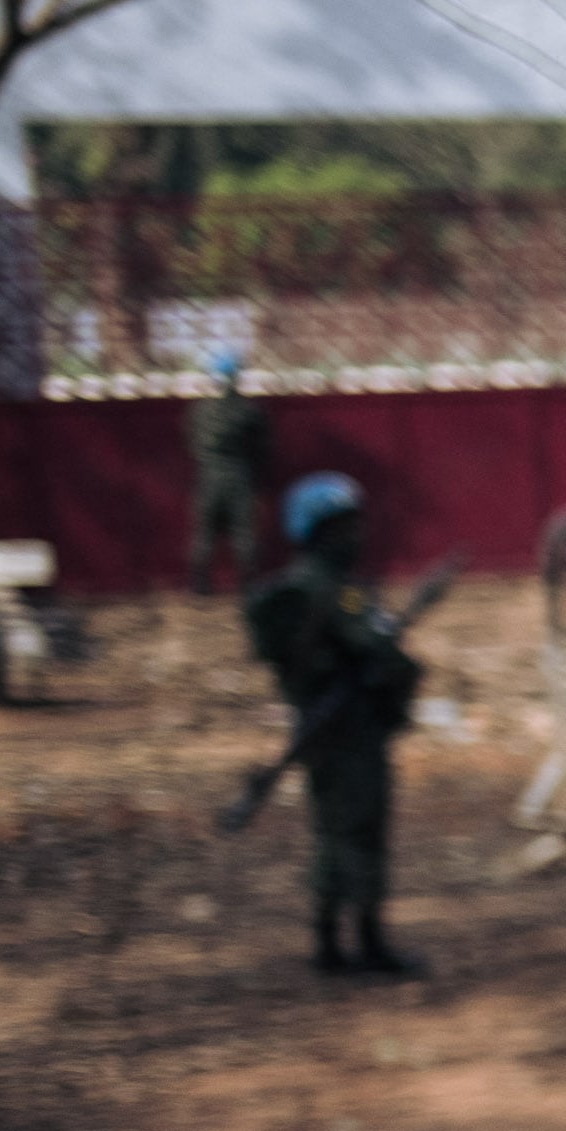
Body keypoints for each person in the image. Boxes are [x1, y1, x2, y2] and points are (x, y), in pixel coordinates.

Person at [241, 472, 425, 978]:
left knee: (332, 832)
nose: (356, 536)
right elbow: (378, 649)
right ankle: (366, 944)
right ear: (319, 531)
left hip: (324, 728)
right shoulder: (332, 592)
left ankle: (330, 943)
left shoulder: (301, 589)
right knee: (359, 833)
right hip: (350, 731)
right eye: (345, 526)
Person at [186, 349, 269, 593]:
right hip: (240, 475)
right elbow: (261, 449)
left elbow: (192, 442)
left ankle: (200, 585)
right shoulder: (250, 411)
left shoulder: (200, 411)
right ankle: (249, 584)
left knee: (205, 530)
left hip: (208, 475)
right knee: (244, 530)